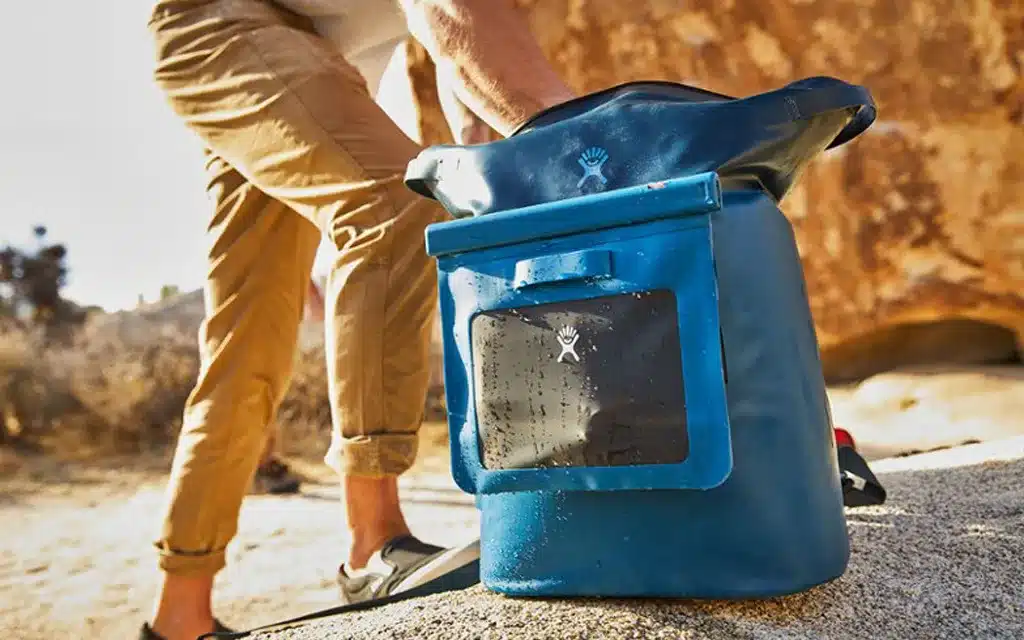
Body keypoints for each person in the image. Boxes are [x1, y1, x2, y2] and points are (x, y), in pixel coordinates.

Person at [143, 1, 575, 638]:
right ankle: (372, 541)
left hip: (291, 68)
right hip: (226, 25)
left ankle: (179, 615)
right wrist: (579, 140)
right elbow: (454, 21)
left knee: (247, 344)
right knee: (392, 204)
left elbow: (468, 88)